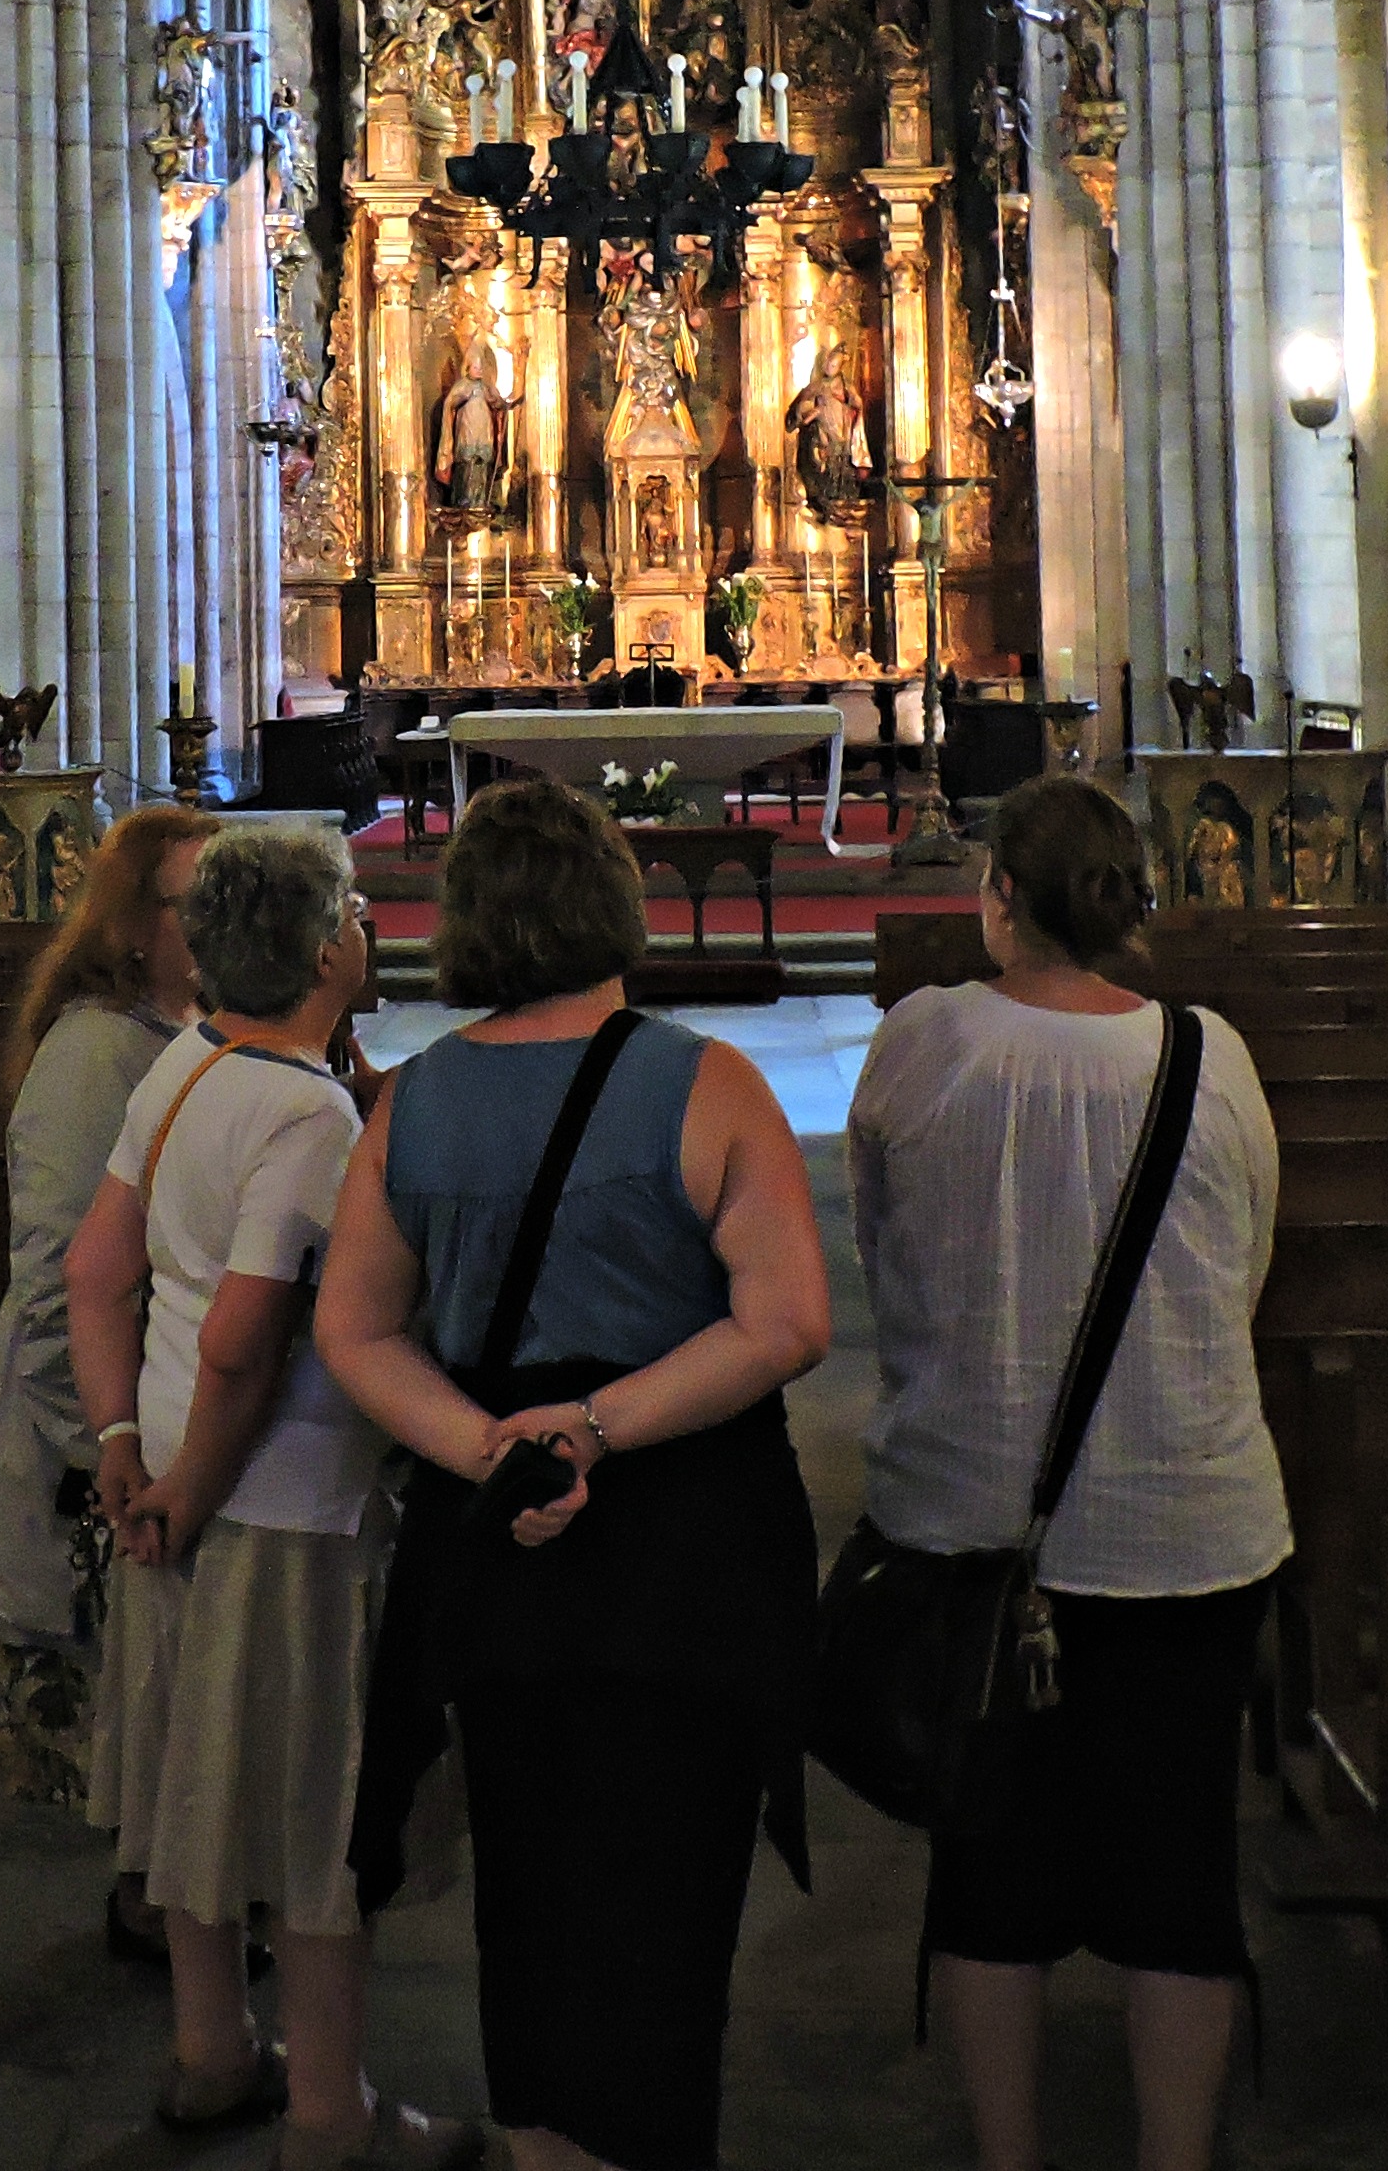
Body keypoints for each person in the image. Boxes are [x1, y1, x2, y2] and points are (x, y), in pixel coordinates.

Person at [320, 779, 831, 2171]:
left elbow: (354, 1329)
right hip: (686, 1546)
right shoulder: (704, 1082)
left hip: (501, 1537)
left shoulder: (410, 1103)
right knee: (667, 1904)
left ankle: (546, 2140)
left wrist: (489, 1442)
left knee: (533, 1892)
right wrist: (599, 1427)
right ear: (618, 903)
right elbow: (787, 1321)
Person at [846, 773, 1288, 2171]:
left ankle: (1011, 2159)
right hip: (1189, 1519)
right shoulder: (1212, 1054)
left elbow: (885, 1244)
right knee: (1180, 1880)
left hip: (977, 1526)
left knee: (992, 1877)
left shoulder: (927, 1044)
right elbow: (1248, 1265)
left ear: (997, 902)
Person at [67, 821, 475, 2171]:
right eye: (353, 910)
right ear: (323, 949)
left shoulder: (189, 1063)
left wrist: (125, 1441)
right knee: (310, 1813)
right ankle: (330, 2118)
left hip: (170, 1482)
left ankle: (212, 2051)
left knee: (195, 1790)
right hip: (275, 1507)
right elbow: (250, 1336)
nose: (367, 927)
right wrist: (185, 1486)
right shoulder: (302, 1115)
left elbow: (96, 1271)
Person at [0, 800, 220, 1895]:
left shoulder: (179, 1035)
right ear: (132, 928)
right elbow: (56, 1300)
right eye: (196, 906)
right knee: (142, 1765)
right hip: (95, 1483)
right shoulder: (91, 1062)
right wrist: (117, 1458)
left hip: (149, 1456)